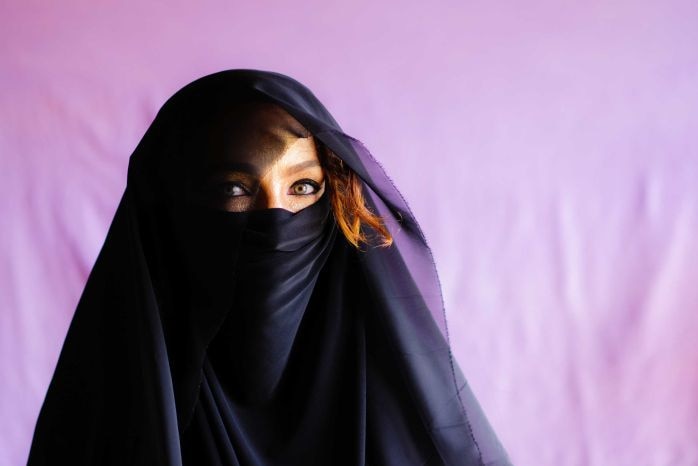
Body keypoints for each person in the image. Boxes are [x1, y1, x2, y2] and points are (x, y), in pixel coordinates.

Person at [26, 69, 512, 466]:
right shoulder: (109, 418)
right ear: (172, 212)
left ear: (337, 196)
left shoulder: (402, 401)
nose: (276, 218)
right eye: (234, 190)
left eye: (302, 187)